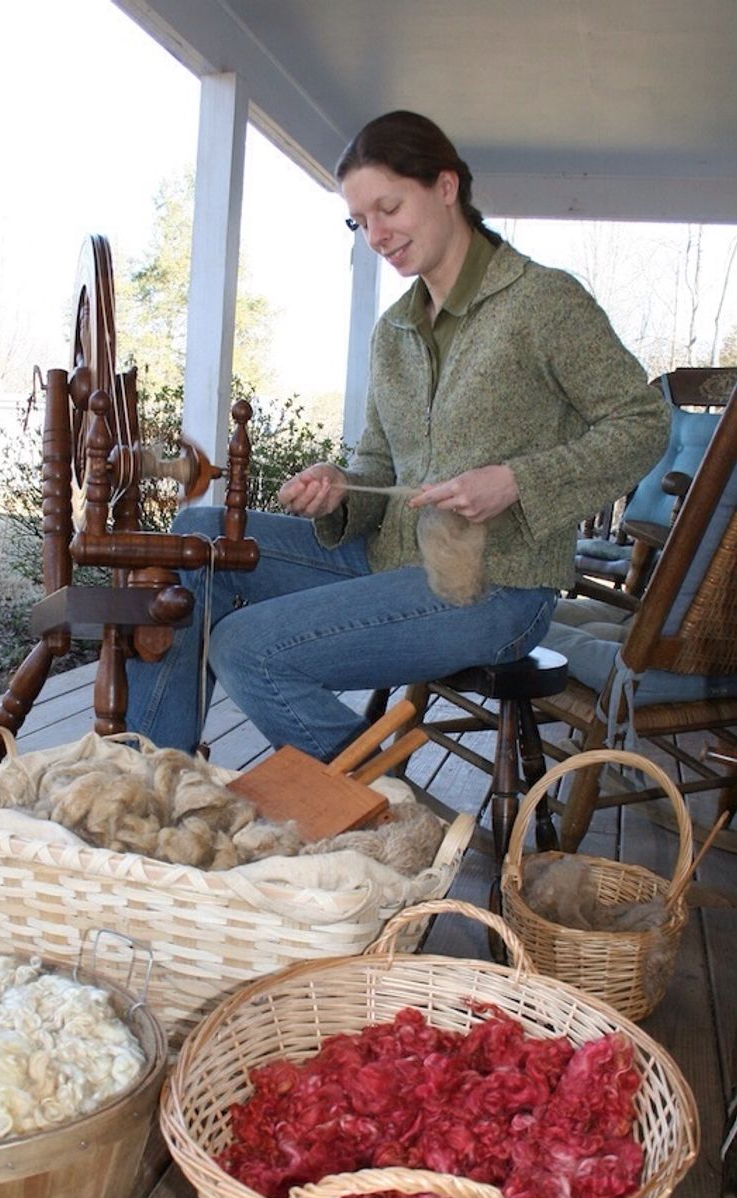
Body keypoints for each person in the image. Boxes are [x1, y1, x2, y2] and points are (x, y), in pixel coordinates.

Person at [125, 110, 671, 760]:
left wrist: (516, 482)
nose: (376, 235)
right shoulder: (395, 331)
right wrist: (338, 488)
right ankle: (148, 776)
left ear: (445, 187)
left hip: (495, 590)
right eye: (360, 222)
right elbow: (376, 463)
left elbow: (644, 424)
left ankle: (380, 812)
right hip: (380, 562)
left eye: (388, 208)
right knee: (199, 538)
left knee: (248, 649)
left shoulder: (543, 303)